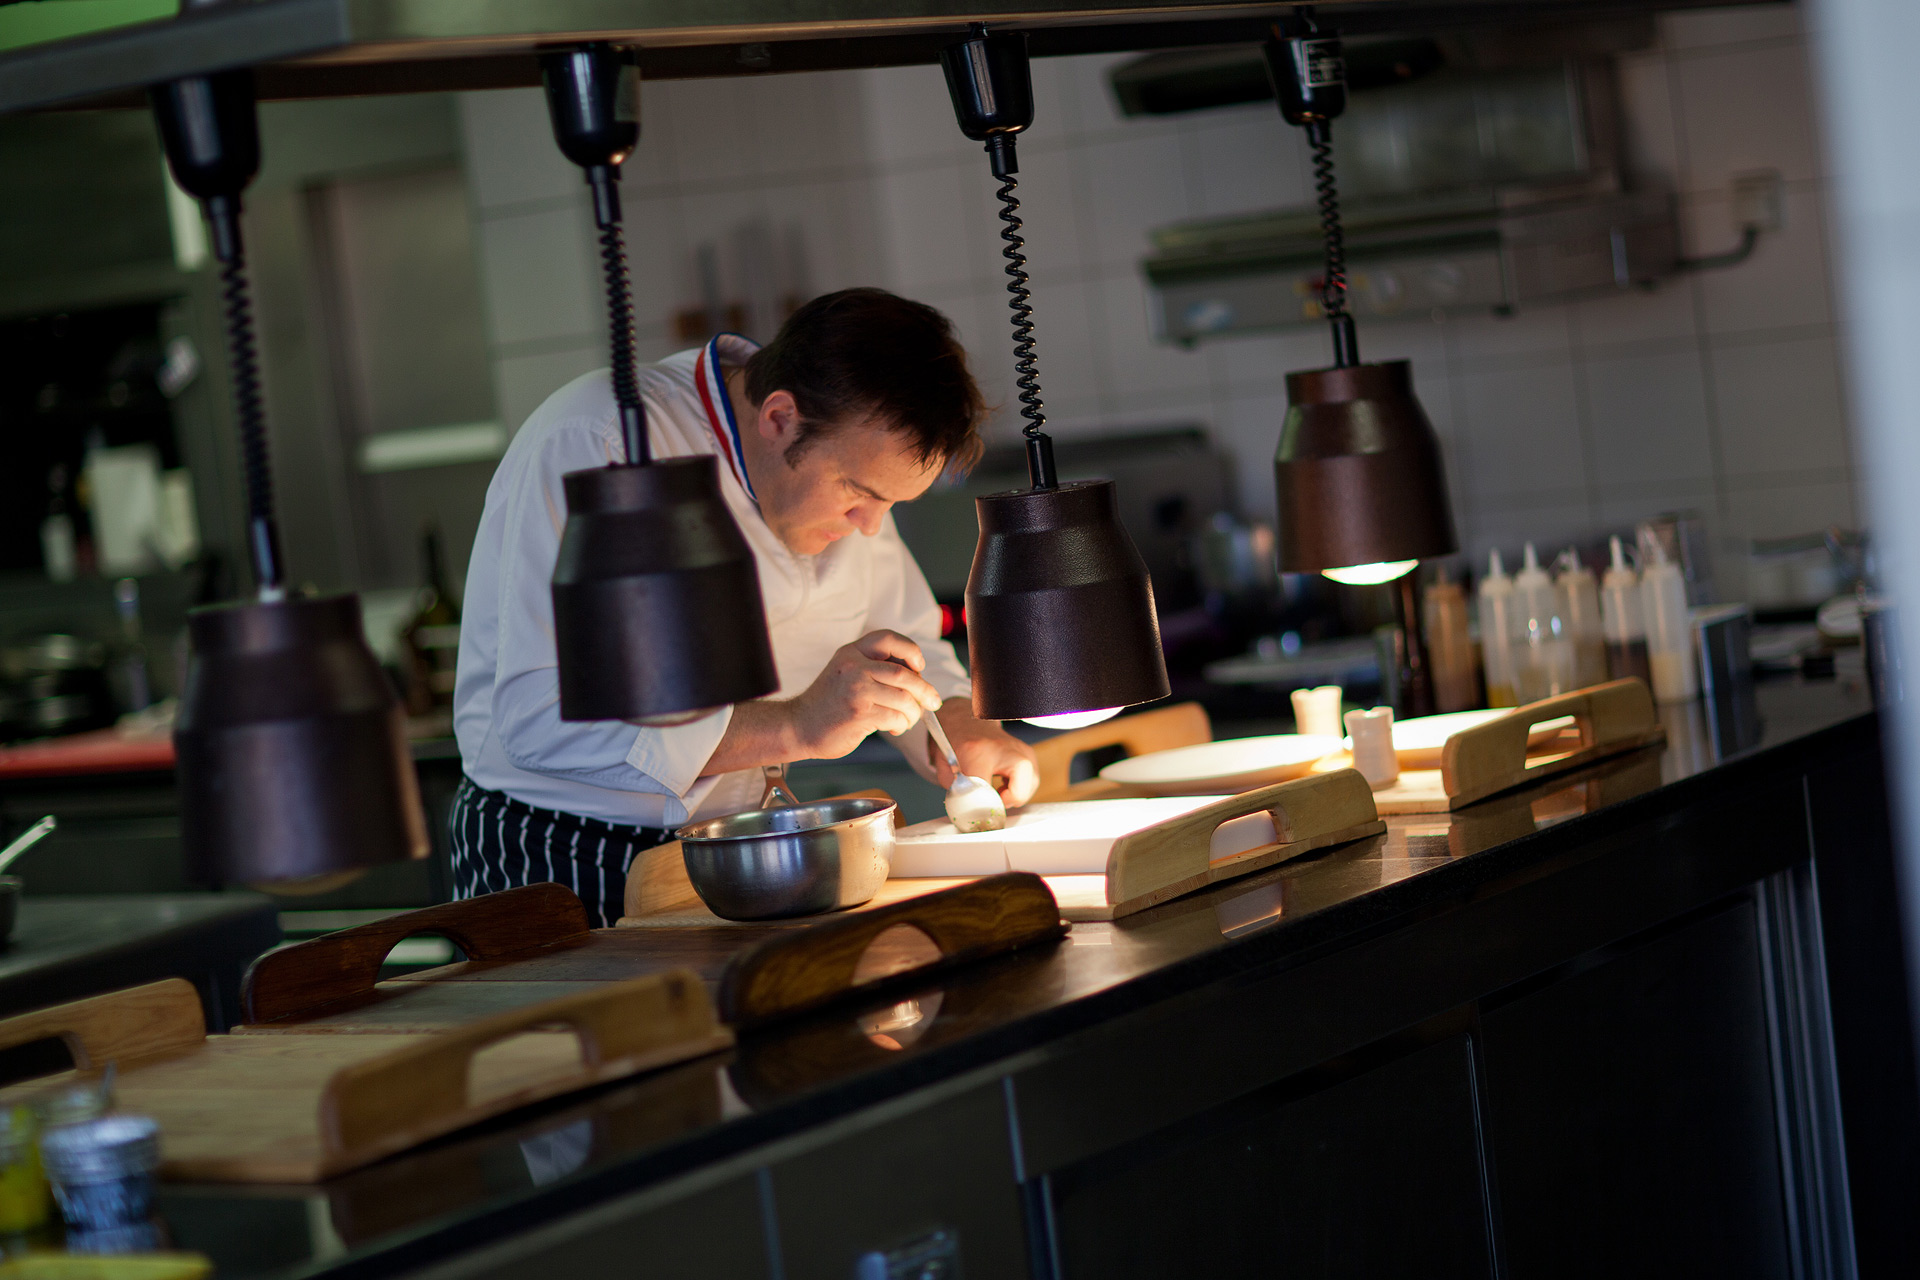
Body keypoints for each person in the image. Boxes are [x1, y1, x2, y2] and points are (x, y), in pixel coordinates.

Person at [450, 288, 1040, 924]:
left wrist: (956, 724)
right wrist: (796, 725)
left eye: (889, 504)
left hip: (730, 850)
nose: (871, 528)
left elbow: (906, 640)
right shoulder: (600, 438)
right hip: (563, 858)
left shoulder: (844, 453)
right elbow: (542, 722)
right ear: (779, 417)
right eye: (858, 494)